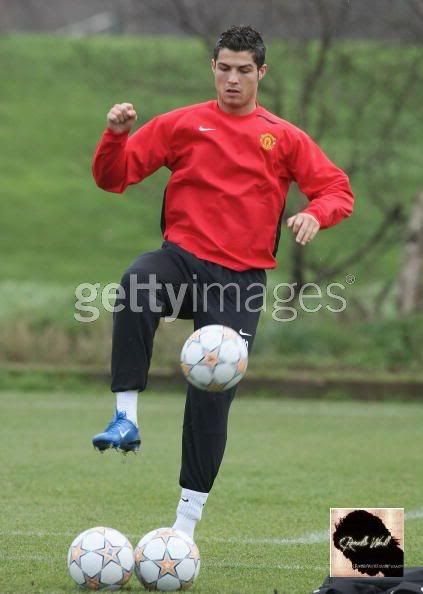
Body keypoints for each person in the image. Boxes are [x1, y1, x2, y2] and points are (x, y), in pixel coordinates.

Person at [91, 25, 354, 539]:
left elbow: (336, 188)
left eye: (243, 70)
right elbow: (113, 177)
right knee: (136, 282)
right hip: (182, 262)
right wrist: (116, 135)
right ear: (213, 68)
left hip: (238, 282)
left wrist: (317, 214)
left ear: (261, 72)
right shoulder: (182, 124)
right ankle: (125, 418)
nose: (232, 79)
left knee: (211, 393)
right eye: (224, 68)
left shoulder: (285, 136)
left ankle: (184, 526)